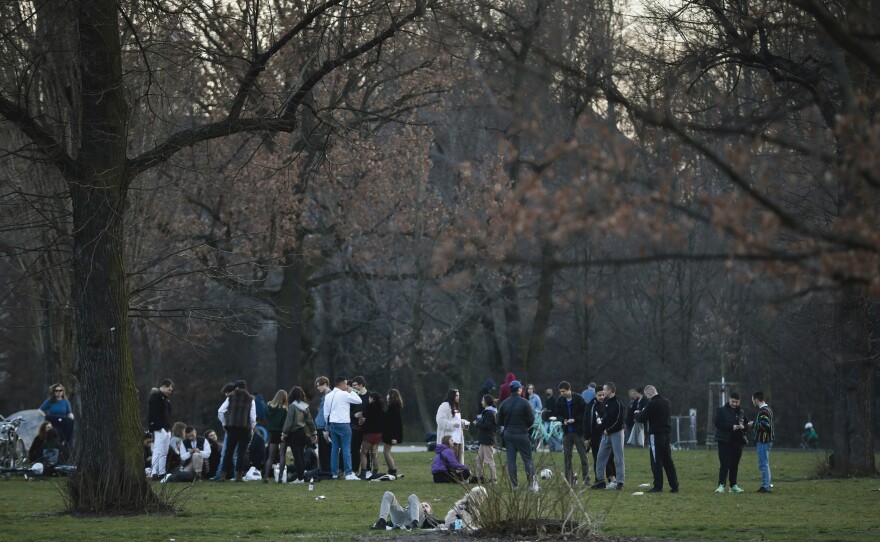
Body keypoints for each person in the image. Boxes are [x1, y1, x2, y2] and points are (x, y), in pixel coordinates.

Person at [634, 385, 679, 493]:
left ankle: (658, 486)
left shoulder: (652, 403)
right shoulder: (666, 402)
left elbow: (642, 418)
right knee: (668, 460)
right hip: (666, 435)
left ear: (649, 393)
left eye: (647, 396)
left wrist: (636, 414)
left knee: (656, 461)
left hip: (655, 435)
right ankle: (674, 485)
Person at [497, 380, 536, 490]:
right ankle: (531, 485)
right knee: (528, 460)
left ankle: (515, 485)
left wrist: (508, 425)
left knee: (511, 461)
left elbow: (498, 421)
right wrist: (525, 427)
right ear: (519, 389)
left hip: (508, 434)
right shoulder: (525, 402)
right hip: (522, 434)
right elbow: (531, 419)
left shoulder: (504, 403)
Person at [323, 376, 362, 480]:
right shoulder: (344, 394)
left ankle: (334, 473)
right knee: (346, 448)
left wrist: (327, 427)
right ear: (341, 385)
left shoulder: (328, 395)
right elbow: (359, 401)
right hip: (343, 424)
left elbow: (325, 413)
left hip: (332, 423)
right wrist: (352, 391)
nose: (347, 386)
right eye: (345, 384)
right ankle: (349, 473)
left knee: (335, 449)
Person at [217, 379, 256, 482]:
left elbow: (220, 411)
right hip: (245, 429)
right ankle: (238, 476)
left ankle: (222, 476)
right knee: (241, 453)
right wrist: (251, 428)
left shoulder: (230, 397)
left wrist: (224, 424)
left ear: (236, 388)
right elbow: (252, 417)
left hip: (232, 429)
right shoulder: (250, 399)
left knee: (228, 452)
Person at [553, 381, 590, 486]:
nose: (562, 393)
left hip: (578, 432)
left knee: (583, 457)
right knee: (567, 458)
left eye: (563, 391)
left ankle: (586, 480)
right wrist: (563, 420)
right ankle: (568, 480)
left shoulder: (579, 399)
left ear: (569, 389)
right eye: (561, 391)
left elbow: (585, 413)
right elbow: (557, 414)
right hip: (567, 433)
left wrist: (574, 419)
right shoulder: (560, 400)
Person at [591, 382, 626, 490]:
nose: (603, 392)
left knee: (618, 458)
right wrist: (601, 426)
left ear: (610, 391)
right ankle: (600, 480)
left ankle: (620, 482)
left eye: (605, 390)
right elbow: (606, 418)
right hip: (606, 434)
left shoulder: (618, 403)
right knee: (600, 456)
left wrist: (609, 430)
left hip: (616, 434)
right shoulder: (606, 402)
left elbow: (619, 421)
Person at [713, 391, 748, 493]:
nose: (734, 404)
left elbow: (746, 424)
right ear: (729, 399)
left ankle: (733, 486)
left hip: (738, 442)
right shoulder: (721, 410)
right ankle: (721, 485)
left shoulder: (741, 411)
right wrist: (731, 427)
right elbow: (717, 424)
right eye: (733, 401)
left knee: (734, 465)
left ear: (739, 401)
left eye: (737, 402)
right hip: (724, 441)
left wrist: (744, 427)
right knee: (724, 464)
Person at [282, 386, 317, 483]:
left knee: (297, 457)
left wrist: (284, 434)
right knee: (301, 456)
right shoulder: (305, 406)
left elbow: (289, 423)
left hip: (294, 434)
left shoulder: (292, 406)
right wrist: (313, 433)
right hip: (302, 434)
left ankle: (300, 478)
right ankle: (301, 477)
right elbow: (310, 421)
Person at [585, 387, 615, 483]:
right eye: (599, 395)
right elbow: (586, 422)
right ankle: (599, 480)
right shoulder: (591, 405)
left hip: (607, 434)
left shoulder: (608, 403)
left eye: (603, 395)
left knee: (610, 458)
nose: (602, 397)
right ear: (595, 395)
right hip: (596, 436)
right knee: (598, 458)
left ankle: (613, 479)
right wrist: (587, 437)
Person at [370, 492, 440, 531]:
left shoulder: (428, 518)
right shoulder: (413, 507)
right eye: (422, 505)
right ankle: (382, 522)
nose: (423, 506)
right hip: (402, 516)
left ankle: (414, 523)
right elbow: (390, 523)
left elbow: (440, 522)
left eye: (426, 506)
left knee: (412, 496)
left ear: (430, 512)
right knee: (388, 494)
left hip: (418, 519)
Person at [147, 378, 174, 480]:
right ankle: (154, 472)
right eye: (169, 389)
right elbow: (153, 414)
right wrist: (157, 427)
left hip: (166, 428)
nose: (170, 392)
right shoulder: (155, 397)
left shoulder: (165, 398)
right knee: (158, 450)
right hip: (160, 428)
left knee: (164, 452)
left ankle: (162, 472)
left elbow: (168, 414)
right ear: (164, 386)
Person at [749, 391, 774, 493]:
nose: (752, 402)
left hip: (764, 441)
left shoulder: (763, 411)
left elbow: (764, 425)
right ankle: (767, 485)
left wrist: (753, 424)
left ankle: (766, 486)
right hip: (767, 440)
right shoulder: (768, 409)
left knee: (763, 464)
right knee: (765, 464)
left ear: (756, 399)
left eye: (752, 400)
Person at [209, 383, 236, 481]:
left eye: (227, 393)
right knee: (237, 454)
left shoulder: (230, 399)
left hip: (230, 428)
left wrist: (224, 424)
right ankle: (236, 475)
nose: (226, 395)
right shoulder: (247, 399)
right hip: (242, 429)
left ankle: (219, 475)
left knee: (225, 453)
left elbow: (220, 411)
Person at [470, 394, 497, 484]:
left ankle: (493, 478)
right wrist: (479, 422)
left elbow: (487, 425)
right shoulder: (487, 411)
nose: (481, 402)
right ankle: (478, 477)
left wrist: (477, 424)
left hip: (487, 440)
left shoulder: (489, 412)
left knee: (489, 460)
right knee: (479, 459)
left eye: (483, 400)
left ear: (486, 402)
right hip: (484, 440)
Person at [263, 389, 289, 483]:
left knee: (270, 456)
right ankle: (281, 478)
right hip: (282, 433)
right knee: (282, 455)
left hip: (273, 433)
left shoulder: (268, 406)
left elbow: (265, 417)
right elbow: (285, 423)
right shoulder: (284, 409)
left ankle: (265, 477)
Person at [359, 391, 384, 479]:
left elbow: (365, 418)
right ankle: (375, 472)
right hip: (378, 434)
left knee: (363, 452)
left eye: (369, 398)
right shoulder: (381, 408)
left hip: (369, 433)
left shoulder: (369, 407)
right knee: (374, 453)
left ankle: (363, 472)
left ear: (372, 398)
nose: (368, 399)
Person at [435, 389, 465, 463]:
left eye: (459, 396)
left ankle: (455, 474)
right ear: (452, 396)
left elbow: (456, 420)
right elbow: (440, 420)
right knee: (448, 460)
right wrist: (451, 425)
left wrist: (463, 423)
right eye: (457, 395)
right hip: (448, 438)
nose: (458, 397)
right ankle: (447, 474)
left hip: (457, 438)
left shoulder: (456, 407)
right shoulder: (444, 406)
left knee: (456, 459)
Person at [349, 376, 370, 475]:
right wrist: (355, 415)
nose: (353, 388)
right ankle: (355, 470)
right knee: (354, 449)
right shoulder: (353, 396)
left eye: (354, 385)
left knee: (366, 450)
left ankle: (367, 470)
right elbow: (349, 412)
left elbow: (374, 411)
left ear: (361, 384)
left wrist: (366, 418)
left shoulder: (370, 396)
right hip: (355, 427)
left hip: (367, 428)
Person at [382, 388, 404, 478]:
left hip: (391, 434)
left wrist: (394, 437)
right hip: (390, 433)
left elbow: (395, 423)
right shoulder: (395, 406)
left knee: (386, 451)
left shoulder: (393, 408)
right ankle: (392, 469)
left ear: (392, 396)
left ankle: (392, 470)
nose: (386, 396)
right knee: (386, 451)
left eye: (388, 394)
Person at [313, 376, 332, 474]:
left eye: (319, 386)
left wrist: (327, 429)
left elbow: (327, 413)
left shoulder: (329, 396)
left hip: (324, 427)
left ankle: (326, 470)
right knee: (323, 449)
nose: (318, 388)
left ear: (325, 384)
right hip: (321, 426)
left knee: (325, 450)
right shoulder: (325, 396)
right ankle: (324, 469)